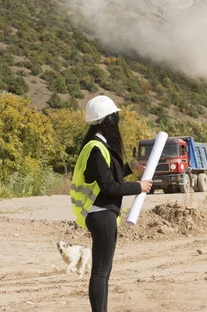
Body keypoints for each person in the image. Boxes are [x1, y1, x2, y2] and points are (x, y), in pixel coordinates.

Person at [70, 95, 152, 312]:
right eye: (115, 117)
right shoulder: (97, 148)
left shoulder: (98, 145)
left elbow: (108, 177)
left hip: (102, 214)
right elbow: (109, 187)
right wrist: (139, 187)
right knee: (100, 272)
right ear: (107, 120)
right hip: (101, 214)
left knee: (102, 271)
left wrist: (130, 168)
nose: (117, 120)